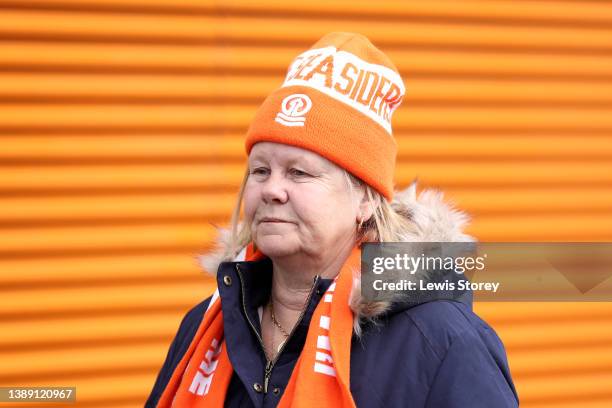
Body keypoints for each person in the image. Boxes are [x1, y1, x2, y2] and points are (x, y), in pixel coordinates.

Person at [145, 32, 519, 407]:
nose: (272, 189)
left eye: (299, 173)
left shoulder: (441, 342)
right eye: (260, 171)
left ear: (366, 199)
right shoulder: (208, 328)